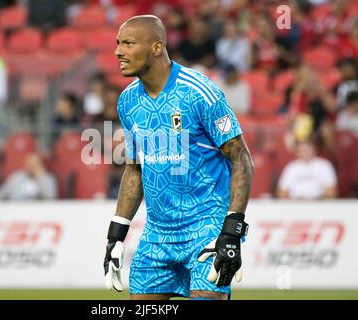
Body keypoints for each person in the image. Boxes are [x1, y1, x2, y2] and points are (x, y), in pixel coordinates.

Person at [103, 15, 254, 300]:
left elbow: (241, 159)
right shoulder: (127, 101)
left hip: (206, 227)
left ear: (157, 47)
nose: (118, 51)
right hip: (157, 234)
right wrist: (116, 233)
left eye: (128, 43)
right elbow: (135, 170)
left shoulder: (199, 92)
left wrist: (232, 231)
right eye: (117, 43)